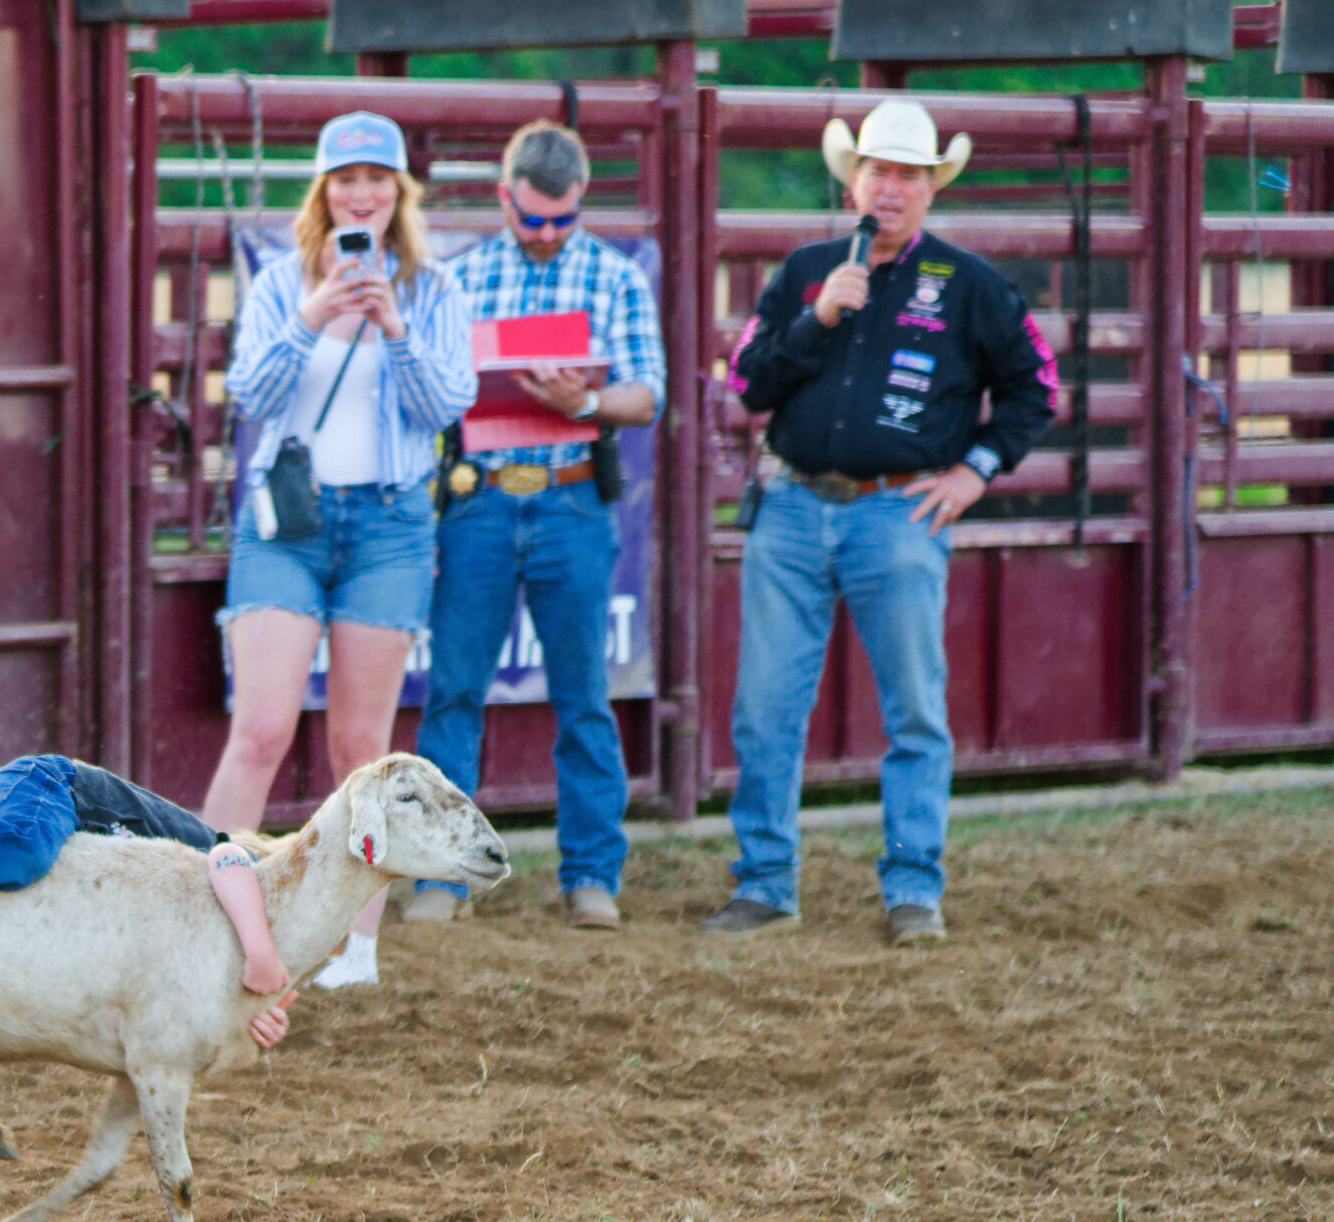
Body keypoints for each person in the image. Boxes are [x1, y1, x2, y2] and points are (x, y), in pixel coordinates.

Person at [705, 100, 1055, 947]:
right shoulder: (807, 272)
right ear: (851, 179)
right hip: (789, 504)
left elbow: (1034, 386)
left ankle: (911, 888)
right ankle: (764, 882)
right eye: (876, 171)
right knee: (765, 709)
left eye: (907, 174)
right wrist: (820, 316)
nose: (889, 188)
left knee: (913, 708)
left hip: (899, 511)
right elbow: (747, 384)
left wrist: (973, 472)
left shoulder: (971, 286)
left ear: (933, 187)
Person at [204, 110, 475, 991]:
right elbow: (246, 393)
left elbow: (445, 406)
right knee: (262, 729)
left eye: (378, 179)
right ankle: (200, 916)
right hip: (289, 522)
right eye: (346, 178)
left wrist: (393, 326)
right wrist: (315, 316)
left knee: (361, 745)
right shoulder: (285, 281)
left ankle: (355, 947)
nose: (362, 192)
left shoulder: (432, 289)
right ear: (324, 191)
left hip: (391, 524)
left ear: (400, 193)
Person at [407, 120, 664, 933]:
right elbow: (430, 388)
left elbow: (646, 394)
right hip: (480, 494)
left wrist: (583, 402)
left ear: (580, 199)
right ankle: (443, 875)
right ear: (504, 198)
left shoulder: (616, 276)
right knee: (453, 690)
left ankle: (591, 871)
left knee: (584, 692)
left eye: (561, 218)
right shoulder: (458, 277)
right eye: (532, 218)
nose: (547, 233)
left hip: (569, 495)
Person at [0, 753, 300, 1049]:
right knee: (24, 849)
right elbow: (228, 859)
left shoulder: (211, 945)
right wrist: (262, 955)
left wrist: (258, 1014)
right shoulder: (240, 871)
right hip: (54, 784)